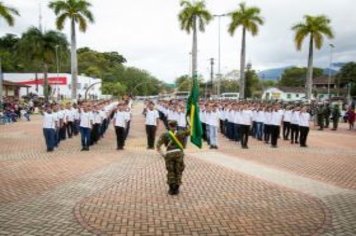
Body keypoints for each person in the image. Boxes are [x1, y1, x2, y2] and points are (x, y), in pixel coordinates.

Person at [156, 120, 190, 195]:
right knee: (178, 170)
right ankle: (177, 188)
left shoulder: (165, 134)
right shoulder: (181, 133)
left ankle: (171, 189)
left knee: (170, 171)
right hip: (179, 154)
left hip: (169, 154)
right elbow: (190, 131)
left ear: (169, 126)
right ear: (176, 125)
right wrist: (190, 121)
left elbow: (158, 146)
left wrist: (163, 154)